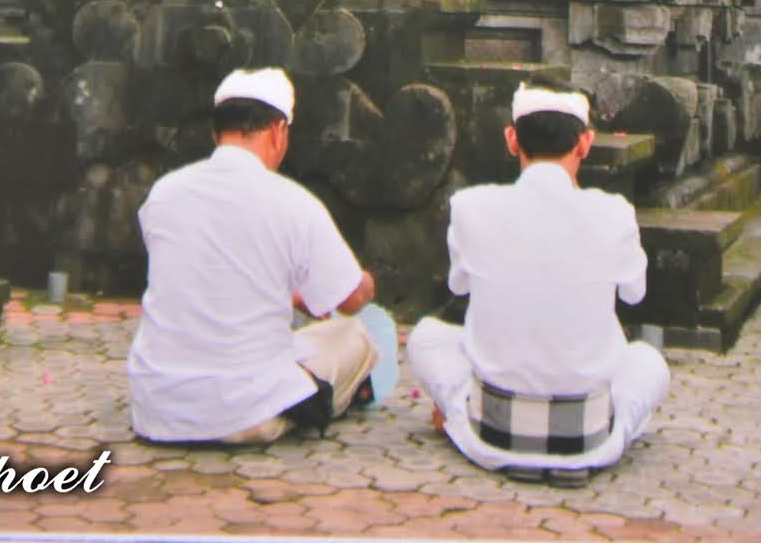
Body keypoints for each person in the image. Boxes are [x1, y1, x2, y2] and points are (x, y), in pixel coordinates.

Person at [407, 83, 670, 476]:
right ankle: (583, 441)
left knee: (426, 337)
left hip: (494, 433)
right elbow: (634, 293)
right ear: (585, 143)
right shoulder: (614, 212)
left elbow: (458, 286)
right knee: (648, 361)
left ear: (512, 140)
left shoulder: (470, 207)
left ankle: (461, 415)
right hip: (586, 438)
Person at [128, 66, 378, 444]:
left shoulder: (163, 193)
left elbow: (194, 274)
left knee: (296, 340)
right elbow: (351, 299)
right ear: (278, 132)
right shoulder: (294, 203)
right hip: (242, 412)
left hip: (157, 408)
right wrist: (367, 283)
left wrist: (288, 297)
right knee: (354, 335)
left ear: (216, 134)